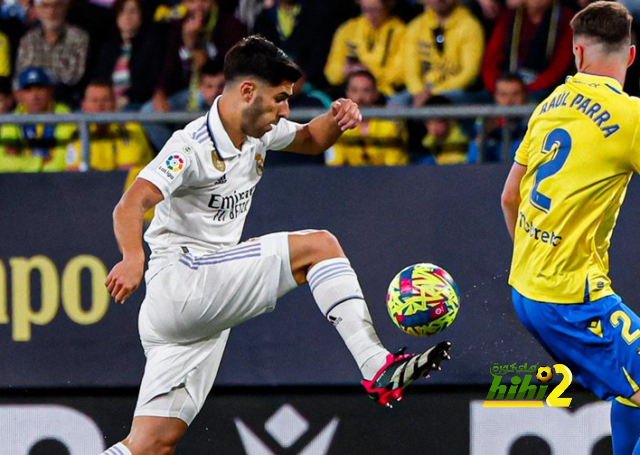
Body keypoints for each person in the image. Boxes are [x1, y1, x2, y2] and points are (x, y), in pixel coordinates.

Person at [99, 36, 451, 455]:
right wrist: (132, 258)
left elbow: (310, 139)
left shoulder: (256, 130)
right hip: (183, 284)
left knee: (151, 445)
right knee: (320, 246)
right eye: (280, 99)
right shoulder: (191, 145)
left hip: (191, 315)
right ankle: (377, 366)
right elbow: (130, 203)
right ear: (247, 91)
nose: (285, 110)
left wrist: (337, 119)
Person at [500, 3, 640, 454]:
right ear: (631, 56)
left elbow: (509, 196)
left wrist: (536, 259)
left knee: (633, 385)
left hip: (527, 286)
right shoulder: (629, 117)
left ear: (577, 53)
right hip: (570, 297)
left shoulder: (549, 104)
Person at [482, 0, 574, 101]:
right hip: (507, 83)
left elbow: (560, 65)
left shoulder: (565, 18)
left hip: (545, 87)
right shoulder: (509, 17)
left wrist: (527, 89)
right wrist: (497, 86)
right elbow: (491, 59)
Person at [404, 0, 485, 107]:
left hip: (459, 90)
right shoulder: (415, 27)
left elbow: (469, 73)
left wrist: (433, 93)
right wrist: (419, 92)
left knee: (438, 103)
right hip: (424, 89)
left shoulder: (470, 25)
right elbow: (410, 72)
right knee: (397, 103)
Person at [66, 81, 153, 173]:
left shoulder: (130, 128)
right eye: (94, 100)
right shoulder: (78, 132)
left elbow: (125, 172)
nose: (100, 105)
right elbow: (73, 171)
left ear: (114, 103)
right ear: (84, 105)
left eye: (105, 100)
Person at [326, 69, 408, 166]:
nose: (360, 97)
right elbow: (334, 167)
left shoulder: (391, 124)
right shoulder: (337, 126)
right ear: (347, 93)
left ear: (375, 94)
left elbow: (394, 169)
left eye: (366, 90)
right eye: (354, 90)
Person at [0, 66, 74, 172]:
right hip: (21, 183)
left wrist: (21, 162)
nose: (34, 96)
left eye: (40, 88)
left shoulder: (66, 117)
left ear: (51, 91)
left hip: (56, 183)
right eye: (28, 90)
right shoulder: (13, 119)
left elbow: (62, 163)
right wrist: (40, 162)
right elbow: (2, 162)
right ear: (19, 95)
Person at [324, 0, 405, 97]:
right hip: (350, 89)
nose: (370, 15)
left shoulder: (400, 31)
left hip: (385, 92)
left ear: (387, 6)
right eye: (365, 9)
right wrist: (345, 71)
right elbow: (331, 72)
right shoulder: (348, 29)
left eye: (375, 9)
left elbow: (401, 71)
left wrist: (368, 73)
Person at [15, 0, 89, 103]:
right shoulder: (28, 40)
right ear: (37, 10)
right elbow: (21, 75)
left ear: (65, 8)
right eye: (45, 6)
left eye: (57, 6)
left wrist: (41, 83)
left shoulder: (78, 38)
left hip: (66, 101)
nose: (51, 12)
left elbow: (73, 77)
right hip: (32, 103)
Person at [468, 72, 528, 162]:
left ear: (524, 95)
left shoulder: (535, 123)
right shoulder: (486, 121)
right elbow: (472, 163)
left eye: (515, 94)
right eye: (503, 95)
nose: (509, 101)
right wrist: (484, 134)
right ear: (496, 97)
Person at [413, 94, 469, 164]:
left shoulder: (462, 139)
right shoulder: (428, 144)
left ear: (451, 121)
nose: (434, 128)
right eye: (428, 123)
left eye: (439, 122)